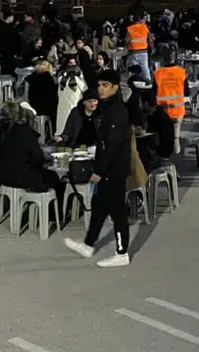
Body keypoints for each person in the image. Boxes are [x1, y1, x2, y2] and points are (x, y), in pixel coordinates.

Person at [63, 69, 133, 268]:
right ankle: (88, 244)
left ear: (115, 87)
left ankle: (122, 253)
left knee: (117, 211)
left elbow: (112, 145)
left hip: (114, 169)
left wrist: (99, 171)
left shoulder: (117, 111)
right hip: (107, 166)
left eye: (105, 86)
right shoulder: (106, 108)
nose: (101, 89)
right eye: (99, 85)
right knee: (99, 205)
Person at [152, 50, 187, 153]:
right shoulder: (181, 72)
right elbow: (187, 91)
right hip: (178, 110)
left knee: (163, 136)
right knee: (176, 136)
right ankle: (176, 153)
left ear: (163, 60)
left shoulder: (157, 73)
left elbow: (153, 92)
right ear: (174, 59)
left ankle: (164, 156)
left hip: (164, 111)